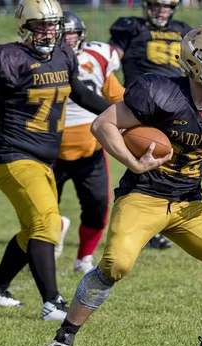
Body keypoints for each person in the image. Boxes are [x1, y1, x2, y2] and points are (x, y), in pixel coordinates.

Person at [35, 24, 202, 346]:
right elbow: (104, 124)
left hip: (189, 204)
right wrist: (133, 162)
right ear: (195, 60)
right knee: (116, 265)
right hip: (144, 197)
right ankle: (63, 339)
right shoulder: (161, 91)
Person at [0, 0, 111, 320]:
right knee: (47, 223)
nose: (50, 33)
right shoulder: (8, 59)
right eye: (41, 26)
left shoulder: (63, 56)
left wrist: (118, 113)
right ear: (24, 28)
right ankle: (52, 302)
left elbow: (78, 92)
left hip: (42, 161)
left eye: (54, 26)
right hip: (14, 157)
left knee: (30, 231)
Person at [108, 0, 191, 250]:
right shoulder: (131, 27)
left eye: (166, 6)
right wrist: (119, 97)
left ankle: (162, 220)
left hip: (177, 104)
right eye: (156, 5)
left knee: (174, 163)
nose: (161, 10)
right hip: (144, 105)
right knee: (148, 162)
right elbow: (108, 62)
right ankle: (139, 223)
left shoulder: (182, 29)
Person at [53, 10, 125, 274]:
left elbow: (116, 96)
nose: (68, 38)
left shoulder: (97, 57)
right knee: (44, 209)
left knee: (97, 207)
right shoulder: (44, 59)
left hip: (91, 149)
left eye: (71, 33)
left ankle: (84, 257)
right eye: (63, 33)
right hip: (50, 150)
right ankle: (54, 230)